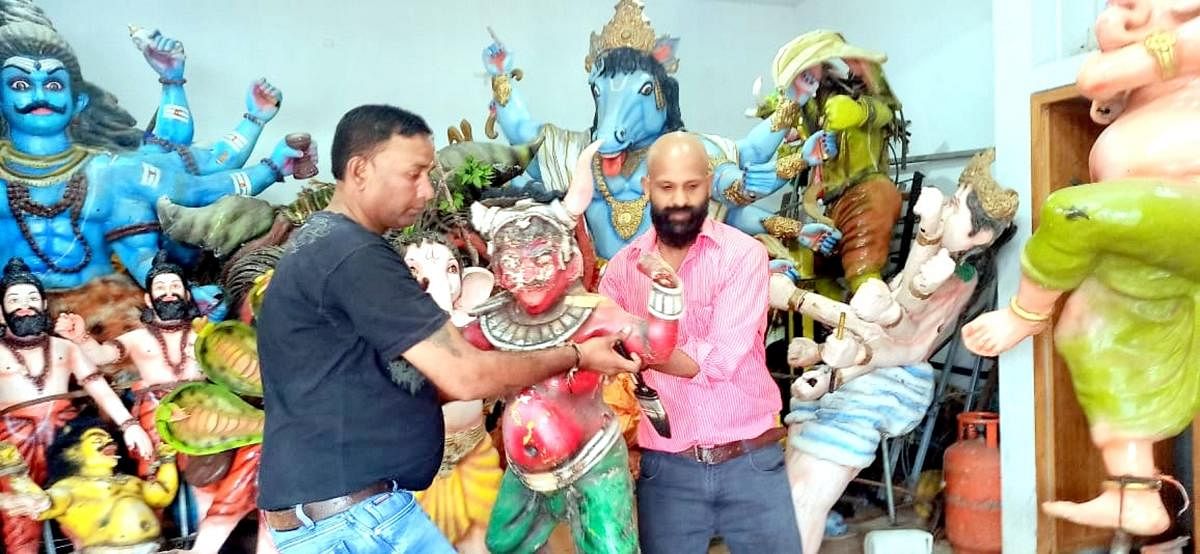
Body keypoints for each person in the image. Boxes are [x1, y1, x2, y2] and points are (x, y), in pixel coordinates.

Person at [255, 104, 641, 553]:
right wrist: (576, 355)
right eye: (413, 174)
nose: (425, 191)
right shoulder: (354, 255)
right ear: (360, 170)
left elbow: (395, 381)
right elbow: (466, 375)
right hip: (354, 521)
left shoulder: (322, 245)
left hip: (332, 516)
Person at [599, 131, 804, 553]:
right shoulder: (622, 270)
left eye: (692, 186)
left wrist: (636, 348)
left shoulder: (743, 255)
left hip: (750, 462)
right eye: (667, 187)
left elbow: (716, 361)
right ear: (646, 188)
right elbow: (601, 346)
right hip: (667, 470)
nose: (679, 200)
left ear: (709, 185)